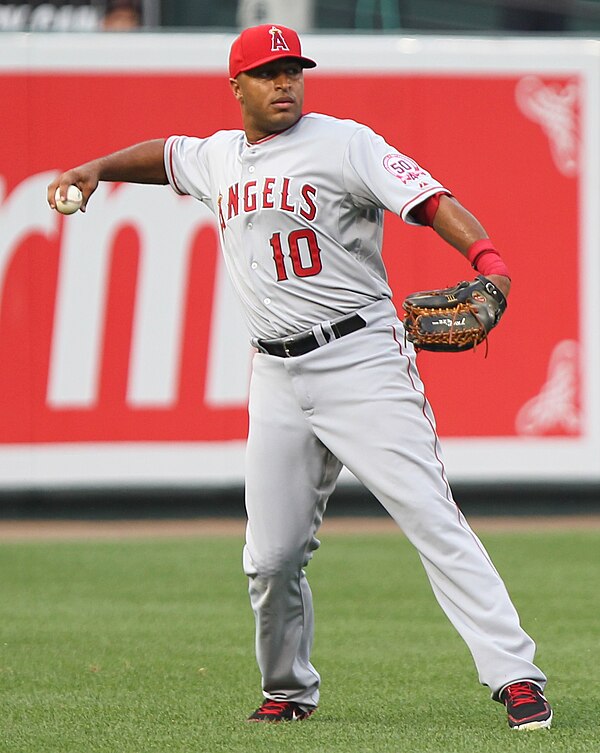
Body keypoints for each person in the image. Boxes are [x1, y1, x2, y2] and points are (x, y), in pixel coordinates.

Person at [48, 24, 552, 731]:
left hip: (362, 360)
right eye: (267, 73)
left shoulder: (345, 143)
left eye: (293, 70)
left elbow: (432, 201)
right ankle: (288, 687)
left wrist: (490, 264)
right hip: (277, 375)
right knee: (271, 557)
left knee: (432, 517)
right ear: (237, 87)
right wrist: (94, 167)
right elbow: (167, 155)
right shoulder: (220, 157)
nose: (284, 82)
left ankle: (516, 675)